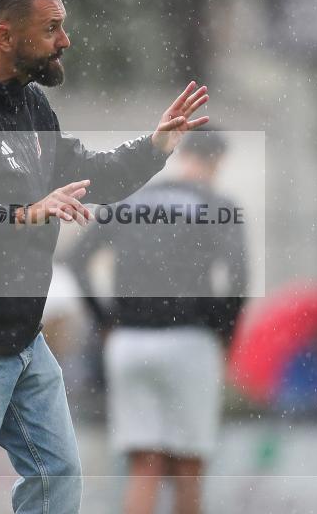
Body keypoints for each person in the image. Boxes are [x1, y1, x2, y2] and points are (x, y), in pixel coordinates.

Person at [0, 0, 210, 514]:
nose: (65, 40)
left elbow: (91, 176)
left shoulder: (31, 105)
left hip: (20, 338)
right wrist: (21, 214)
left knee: (56, 478)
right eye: (51, 29)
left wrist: (156, 147)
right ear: (4, 36)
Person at [63, 130, 247, 514]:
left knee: (144, 464)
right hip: (190, 340)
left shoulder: (131, 200)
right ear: (217, 161)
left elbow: (76, 260)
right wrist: (224, 332)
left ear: (183, 154)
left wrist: (105, 320)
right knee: (189, 464)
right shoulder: (218, 205)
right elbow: (238, 277)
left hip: (129, 342)